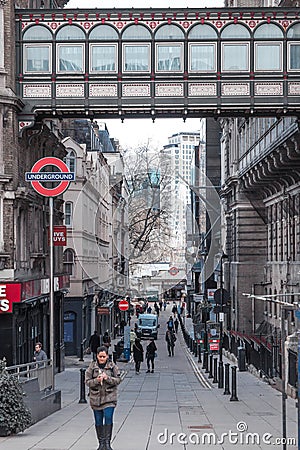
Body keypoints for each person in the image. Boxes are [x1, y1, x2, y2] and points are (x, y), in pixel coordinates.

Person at [85, 346, 121, 450]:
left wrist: (107, 378)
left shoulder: (112, 366)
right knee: (98, 421)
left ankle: (107, 443)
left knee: (108, 417)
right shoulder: (92, 367)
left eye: (104, 356)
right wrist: (96, 380)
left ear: (107, 356)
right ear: (96, 356)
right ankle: (101, 443)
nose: (102, 359)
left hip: (109, 397)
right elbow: (87, 381)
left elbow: (118, 380)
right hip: (96, 398)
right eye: (100, 356)